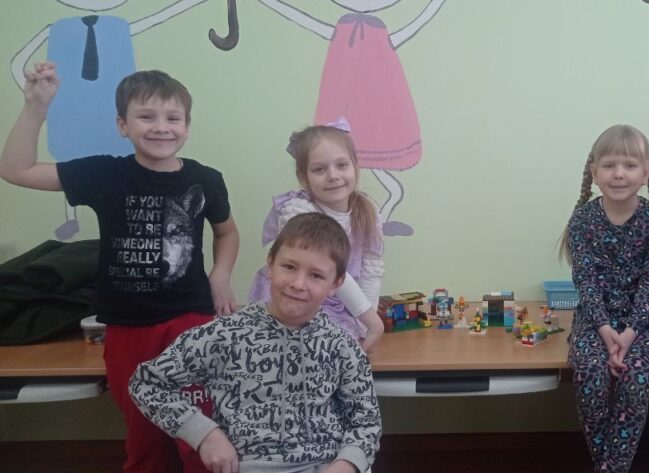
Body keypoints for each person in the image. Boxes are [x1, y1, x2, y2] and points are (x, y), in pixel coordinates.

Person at [0, 61, 239, 473]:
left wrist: (220, 276)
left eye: (173, 118)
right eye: (146, 117)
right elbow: (15, 170)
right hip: (129, 329)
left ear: (186, 127)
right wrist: (35, 107)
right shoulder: (105, 174)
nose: (161, 127)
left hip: (191, 324)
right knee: (145, 436)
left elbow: (227, 232)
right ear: (122, 125)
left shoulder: (206, 179)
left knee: (200, 434)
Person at [131, 212, 382, 473]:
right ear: (270, 265)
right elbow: (146, 383)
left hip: (326, 465)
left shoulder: (343, 346)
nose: (298, 284)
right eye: (289, 267)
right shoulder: (225, 334)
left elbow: (366, 423)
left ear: (336, 284)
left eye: (316, 275)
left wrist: (346, 465)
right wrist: (206, 435)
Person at [560, 124, 649, 472]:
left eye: (629, 165)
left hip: (644, 324)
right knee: (590, 377)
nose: (619, 174)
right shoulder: (582, 220)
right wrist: (606, 330)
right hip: (595, 322)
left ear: (646, 173)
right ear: (595, 173)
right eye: (609, 165)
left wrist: (630, 333)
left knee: (635, 383)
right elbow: (586, 281)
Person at [250, 122, 385, 353]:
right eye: (319, 169)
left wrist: (365, 327)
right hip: (296, 295)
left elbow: (371, 271)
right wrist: (371, 320)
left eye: (342, 165)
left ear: (355, 166)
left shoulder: (368, 212)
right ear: (303, 177)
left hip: (345, 303)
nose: (333, 176)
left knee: (339, 352)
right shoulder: (298, 210)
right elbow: (330, 270)